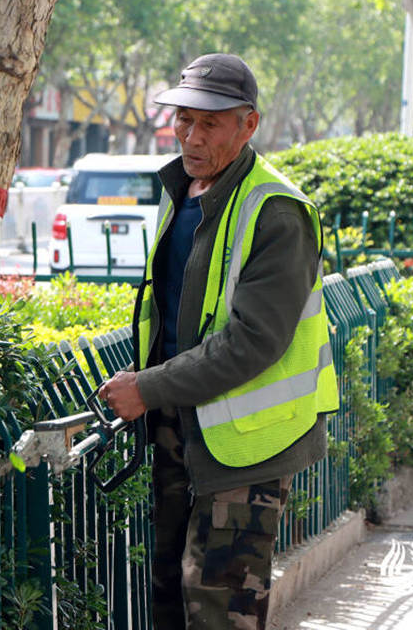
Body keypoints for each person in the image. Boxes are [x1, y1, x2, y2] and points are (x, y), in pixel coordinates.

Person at [98, 53, 338, 630]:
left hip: (246, 445)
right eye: (184, 119)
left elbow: (254, 340)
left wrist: (148, 388)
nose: (192, 135)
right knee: (168, 601)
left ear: (248, 125)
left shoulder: (276, 210)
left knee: (219, 607)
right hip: (180, 427)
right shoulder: (181, 189)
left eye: (210, 123)